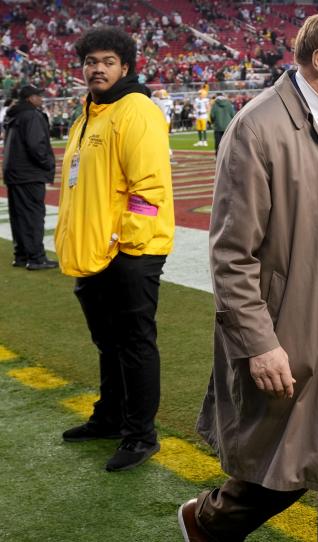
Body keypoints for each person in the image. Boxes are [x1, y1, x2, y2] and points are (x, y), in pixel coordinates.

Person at [178, 12, 318, 542]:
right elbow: (233, 254)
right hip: (289, 323)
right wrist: (259, 343)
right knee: (291, 464)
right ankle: (208, 520)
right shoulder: (256, 128)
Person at [54, 26, 174, 472]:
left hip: (128, 253)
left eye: (107, 62)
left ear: (125, 67)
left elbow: (149, 187)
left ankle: (140, 434)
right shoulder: (88, 115)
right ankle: (109, 418)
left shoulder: (136, 110)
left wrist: (129, 247)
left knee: (134, 344)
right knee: (108, 343)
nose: (97, 69)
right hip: (93, 253)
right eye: (90, 62)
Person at [2, 85, 57, 270]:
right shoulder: (32, 115)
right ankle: (36, 258)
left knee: (18, 215)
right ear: (30, 98)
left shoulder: (14, 114)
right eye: (38, 95)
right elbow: (36, 146)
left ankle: (21, 255)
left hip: (15, 172)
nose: (41, 99)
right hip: (29, 173)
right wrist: (47, 164)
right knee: (33, 216)